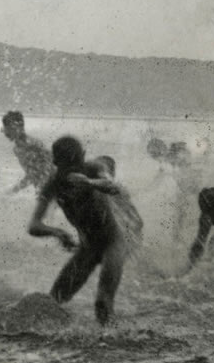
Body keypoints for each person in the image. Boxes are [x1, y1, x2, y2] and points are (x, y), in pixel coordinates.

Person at [28, 135, 139, 325]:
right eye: (67, 168)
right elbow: (34, 226)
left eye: (78, 165)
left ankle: (110, 344)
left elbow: (112, 186)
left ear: (84, 157)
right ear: (55, 162)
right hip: (88, 247)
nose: (74, 172)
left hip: (114, 242)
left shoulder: (94, 169)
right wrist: (57, 232)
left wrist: (89, 182)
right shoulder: (53, 184)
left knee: (103, 303)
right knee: (54, 301)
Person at [2, 110, 54, 194]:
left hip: (50, 187)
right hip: (47, 186)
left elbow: (37, 173)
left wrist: (15, 189)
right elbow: (34, 174)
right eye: (5, 128)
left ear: (18, 128)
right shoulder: (20, 147)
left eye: (9, 128)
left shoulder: (29, 146)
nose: (5, 131)